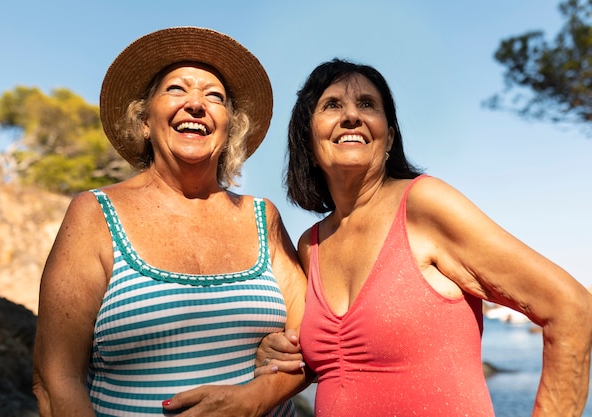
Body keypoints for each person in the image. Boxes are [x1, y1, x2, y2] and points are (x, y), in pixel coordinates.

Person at [255, 58, 592, 416]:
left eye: (368, 104)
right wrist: (279, 353)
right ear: (307, 136)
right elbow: (339, 362)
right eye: (332, 105)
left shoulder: (423, 205)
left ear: (390, 136)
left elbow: (570, 308)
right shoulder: (311, 244)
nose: (352, 115)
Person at [32, 27, 309, 417]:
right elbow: (55, 379)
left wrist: (253, 399)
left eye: (214, 96)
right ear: (144, 121)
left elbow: (311, 345)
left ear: (230, 129)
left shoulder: (264, 218)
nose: (196, 104)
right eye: (176, 90)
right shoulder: (95, 214)